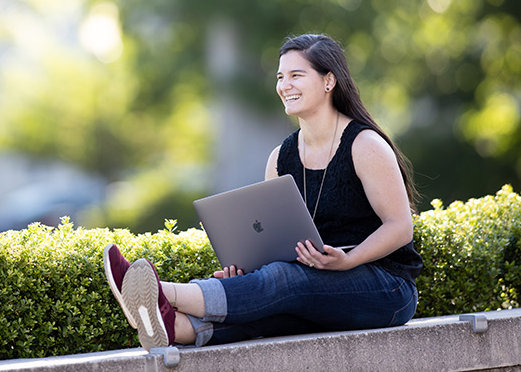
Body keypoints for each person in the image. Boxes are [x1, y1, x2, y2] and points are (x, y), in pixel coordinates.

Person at [103, 33, 423, 350]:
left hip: (386, 288)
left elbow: (400, 227)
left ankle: (162, 292)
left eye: (296, 75)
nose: (285, 85)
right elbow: (275, 242)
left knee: (285, 279)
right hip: (314, 282)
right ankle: (176, 327)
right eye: (280, 76)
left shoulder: (364, 145)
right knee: (272, 310)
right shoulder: (280, 158)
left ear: (329, 81)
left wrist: (348, 260)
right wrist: (246, 274)